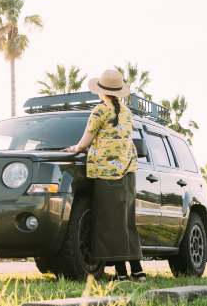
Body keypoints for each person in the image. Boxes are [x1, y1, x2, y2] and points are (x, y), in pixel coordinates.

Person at [65, 69, 146, 281]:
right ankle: (138, 271)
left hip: (106, 173)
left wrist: (74, 148)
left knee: (110, 223)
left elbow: (85, 141)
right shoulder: (127, 113)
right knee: (127, 222)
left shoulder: (100, 111)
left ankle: (121, 274)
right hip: (128, 172)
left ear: (101, 92)